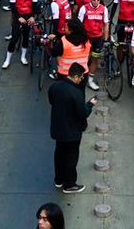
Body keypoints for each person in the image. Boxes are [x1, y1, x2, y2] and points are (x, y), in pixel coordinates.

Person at [48, 60, 93, 194]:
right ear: (76, 77)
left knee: (59, 154)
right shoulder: (76, 93)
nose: (81, 80)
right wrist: (90, 105)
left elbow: (51, 100)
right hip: (72, 132)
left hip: (58, 129)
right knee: (71, 158)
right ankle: (70, 184)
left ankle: (59, 179)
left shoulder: (55, 87)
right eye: (81, 78)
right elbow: (83, 113)